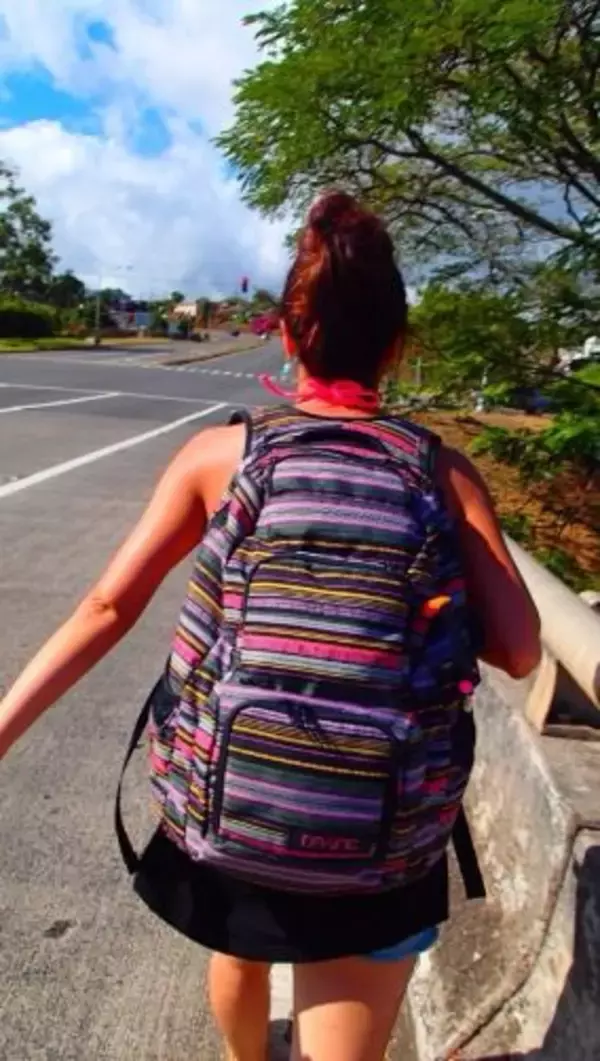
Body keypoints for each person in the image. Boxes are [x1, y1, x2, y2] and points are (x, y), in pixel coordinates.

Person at [0, 191, 541, 1061]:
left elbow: (107, 607)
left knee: (238, 948)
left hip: (234, 801)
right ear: (398, 346)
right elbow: (520, 649)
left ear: (288, 336)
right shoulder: (442, 473)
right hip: (382, 826)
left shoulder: (224, 453)